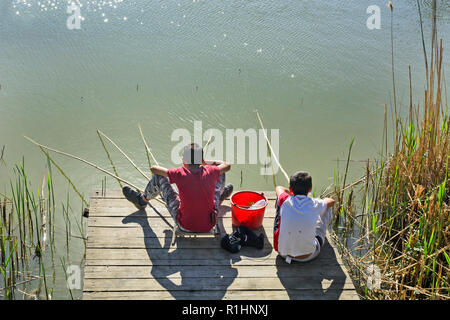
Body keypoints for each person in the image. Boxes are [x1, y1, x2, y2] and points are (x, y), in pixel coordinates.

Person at [122, 143, 233, 233]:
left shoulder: (179, 173)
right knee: (220, 172)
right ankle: (217, 201)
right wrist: (205, 162)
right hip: (209, 225)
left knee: (159, 177)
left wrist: (175, 169)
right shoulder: (211, 171)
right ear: (201, 160)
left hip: (184, 225)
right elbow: (226, 165)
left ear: (184, 160)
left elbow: (153, 169)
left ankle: (142, 201)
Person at [273, 171, 335, 263]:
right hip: (308, 256)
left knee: (280, 201)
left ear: (290, 189)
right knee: (327, 208)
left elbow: (279, 188)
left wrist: (291, 194)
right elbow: (332, 201)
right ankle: (317, 232)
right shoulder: (315, 203)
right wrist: (320, 201)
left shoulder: (285, 200)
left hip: (283, 253)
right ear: (310, 189)